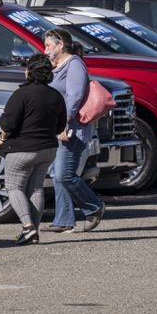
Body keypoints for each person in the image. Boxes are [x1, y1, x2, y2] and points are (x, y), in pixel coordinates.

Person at [42, 28, 106, 233]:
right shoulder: (58, 66)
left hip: (72, 129)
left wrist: (62, 123)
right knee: (58, 173)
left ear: (60, 44)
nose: (45, 51)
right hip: (60, 127)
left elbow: (74, 98)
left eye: (49, 46)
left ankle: (94, 207)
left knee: (64, 174)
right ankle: (64, 219)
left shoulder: (74, 65)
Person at [0, 53, 67, 245]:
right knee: (36, 187)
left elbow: (9, 123)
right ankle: (32, 232)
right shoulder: (55, 95)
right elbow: (60, 126)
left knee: (14, 186)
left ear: (30, 72)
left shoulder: (22, 94)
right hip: (48, 149)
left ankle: (28, 227)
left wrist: (4, 131)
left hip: (22, 149)